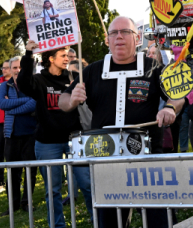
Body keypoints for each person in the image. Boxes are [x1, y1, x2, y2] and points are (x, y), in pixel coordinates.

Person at [59, 16, 184, 228]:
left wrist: (170, 108)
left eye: (125, 32)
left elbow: (178, 95)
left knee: (159, 220)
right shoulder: (92, 71)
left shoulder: (153, 67)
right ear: (107, 40)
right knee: (110, 221)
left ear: (137, 39)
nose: (119, 37)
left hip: (148, 157)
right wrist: (71, 100)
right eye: (113, 33)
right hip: (106, 160)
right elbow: (63, 100)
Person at [17, 43, 93, 228]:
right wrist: (28, 53)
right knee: (53, 190)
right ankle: (58, 225)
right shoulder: (39, 80)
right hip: (47, 142)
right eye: (63, 55)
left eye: (68, 55)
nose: (68, 58)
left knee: (87, 184)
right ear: (51, 58)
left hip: (75, 139)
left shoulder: (74, 78)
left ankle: (98, 220)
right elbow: (23, 83)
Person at [0, 57, 37, 216]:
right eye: (14, 67)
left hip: (31, 133)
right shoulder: (5, 86)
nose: (17, 70)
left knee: (30, 171)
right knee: (13, 172)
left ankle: (26, 202)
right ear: (11, 69)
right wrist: (24, 103)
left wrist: (12, 108)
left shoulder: (33, 83)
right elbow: (2, 104)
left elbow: (34, 102)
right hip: (11, 134)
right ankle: (13, 205)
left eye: (20, 67)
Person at [0, 59, 11, 193]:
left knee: (11, 154)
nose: (4, 70)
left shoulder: (17, 82)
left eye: (6, 68)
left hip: (13, 121)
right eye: (3, 68)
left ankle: (13, 183)